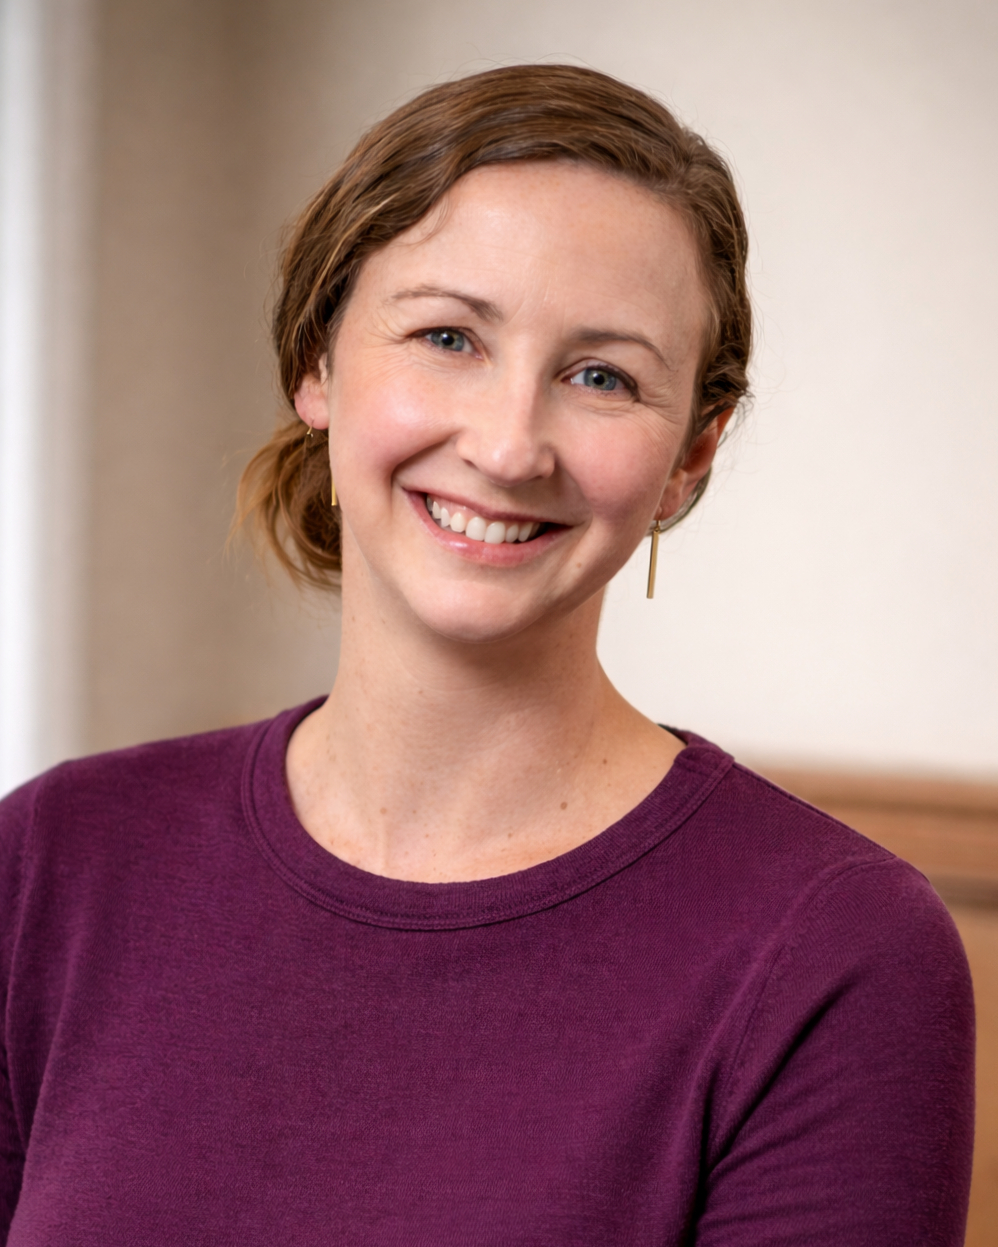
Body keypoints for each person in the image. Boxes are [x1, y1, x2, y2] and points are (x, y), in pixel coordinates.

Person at [0, 65, 974, 1245]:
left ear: (690, 455)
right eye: (447, 335)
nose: (510, 445)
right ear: (317, 361)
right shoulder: (55, 860)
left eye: (600, 376)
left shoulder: (838, 950)